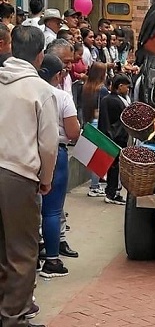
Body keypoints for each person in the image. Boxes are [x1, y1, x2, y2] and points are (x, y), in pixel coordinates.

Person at [0, 25, 58, 327]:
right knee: (22, 253)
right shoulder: (41, 91)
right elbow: (48, 145)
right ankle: (14, 319)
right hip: (18, 174)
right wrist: (45, 178)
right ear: (40, 56)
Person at [38, 54, 80, 278]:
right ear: (58, 75)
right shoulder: (61, 97)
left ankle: (32, 257)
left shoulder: (24, 90)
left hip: (25, 152)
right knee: (52, 210)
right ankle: (52, 260)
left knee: (30, 209)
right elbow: (73, 132)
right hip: (56, 152)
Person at [98, 73, 131, 205]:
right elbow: (111, 122)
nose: (128, 90)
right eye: (127, 87)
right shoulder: (113, 101)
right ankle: (112, 193)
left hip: (113, 137)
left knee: (114, 167)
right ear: (120, 86)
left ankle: (113, 191)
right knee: (114, 168)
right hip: (116, 139)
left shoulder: (111, 99)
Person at [82, 62, 109, 197]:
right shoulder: (102, 89)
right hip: (99, 123)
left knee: (93, 157)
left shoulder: (86, 87)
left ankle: (95, 184)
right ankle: (94, 186)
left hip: (89, 122)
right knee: (99, 158)